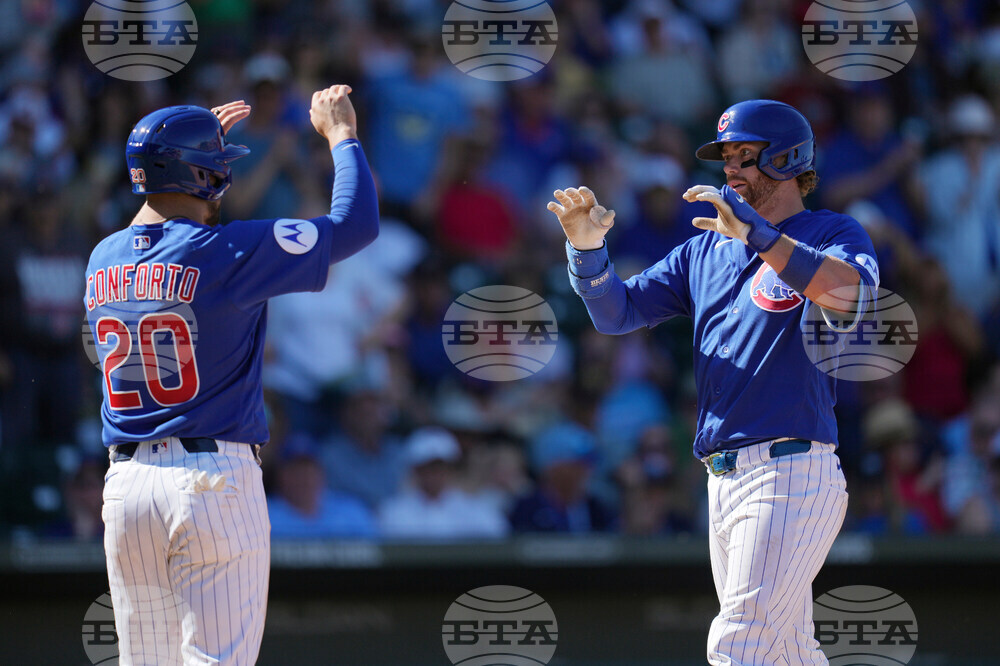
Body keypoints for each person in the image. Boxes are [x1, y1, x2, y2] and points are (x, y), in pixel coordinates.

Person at [547, 99, 879, 664]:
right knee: (787, 653)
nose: (730, 168)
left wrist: (760, 238)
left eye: (745, 155)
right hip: (723, 480)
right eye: (726, 156)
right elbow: (617, 313)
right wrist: (586, 250)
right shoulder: (705, 247)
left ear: (786, 159)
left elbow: (849, 296)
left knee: (739, 643)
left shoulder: (830, 231)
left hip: (790, 471)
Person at [85, 86, 378, 664]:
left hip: (127, 488)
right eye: (218, 165)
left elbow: (157, 230)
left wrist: (184, 145)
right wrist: (342, 136)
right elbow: (356, 224)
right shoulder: (226, 250)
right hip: (210, 481)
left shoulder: (103, 258)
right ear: (203, 175)